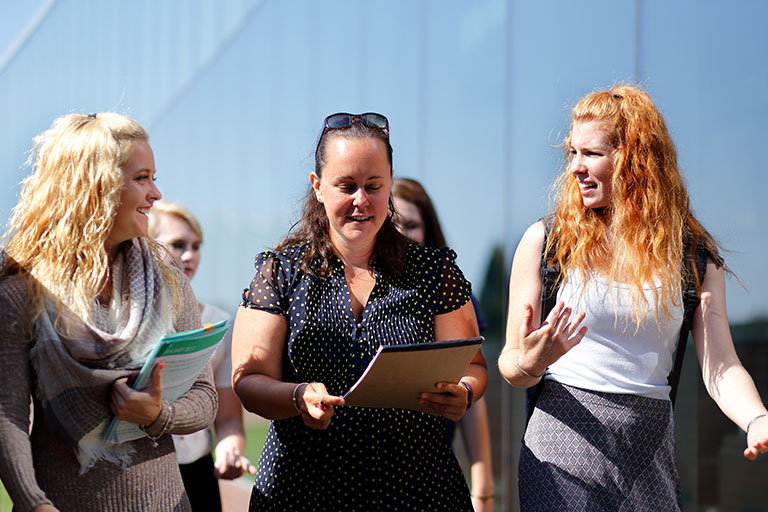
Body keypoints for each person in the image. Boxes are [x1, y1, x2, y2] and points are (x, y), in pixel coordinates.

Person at [498, 85, 768, 511]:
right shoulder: (549, 242)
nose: (576, 168)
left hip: (649, 447)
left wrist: (756, 419)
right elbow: (512, 364)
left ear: (634, 158)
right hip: (563, 440)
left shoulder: (693, 256)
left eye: (591, 154)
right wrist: (531, 362)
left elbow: (721, 365)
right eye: (572, 153)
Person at [231, 112, 488, 511]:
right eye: (346, 186)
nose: (361, 201)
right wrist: (297, 396)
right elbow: (249, 379)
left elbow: (473, 365)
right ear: (318, 187)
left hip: (419, 490)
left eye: (373, 186)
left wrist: (465, 393)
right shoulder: (281, 271)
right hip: (303, 489)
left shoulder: (434, 271)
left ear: (389, 186)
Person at [0, 113, 218, 512]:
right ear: (94, 186)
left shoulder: (168, 277)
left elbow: (205, 399)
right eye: (142, 178)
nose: (156, 193)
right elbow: (7, 416)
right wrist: (34, 504)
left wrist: (158, 414)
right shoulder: (20, 293)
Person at [391, 177, 495, 512]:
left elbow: (469, 391)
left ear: (428, 231)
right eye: (392, 223)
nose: (402, 234)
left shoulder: (452, 296)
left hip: (428, 473)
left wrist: (482, 486)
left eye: (411, 225)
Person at [149, 200, 256, 511]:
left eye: (196, 246)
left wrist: (229, 449)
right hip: (141, 470)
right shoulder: (127, 321)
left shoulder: (217, 322)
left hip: (198, 473)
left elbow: (228, 419)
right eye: (177, 244)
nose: (189, 255)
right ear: (146, 244)